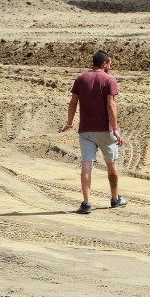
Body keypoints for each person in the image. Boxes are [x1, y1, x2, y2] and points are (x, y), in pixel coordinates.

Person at [58, 50, 127, 214]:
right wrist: (115, 129)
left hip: (86, 131)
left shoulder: (80, 78)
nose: (110, 66)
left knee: (86, 166)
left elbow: (73, 102)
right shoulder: (109, 79)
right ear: (104, 64)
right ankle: (115, 198)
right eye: (109, 63)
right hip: (105, 131)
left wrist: (69, 123)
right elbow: (111, 105)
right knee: (111, 165)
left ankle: (87, 203)